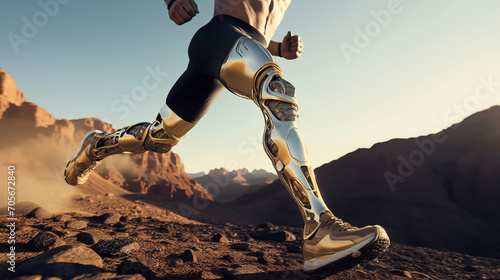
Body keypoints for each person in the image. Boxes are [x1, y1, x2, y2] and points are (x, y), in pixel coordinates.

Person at [64, 0, 390, 273]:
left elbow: (259, 19)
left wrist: (279, 48)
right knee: (277, 94)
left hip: (236, 46)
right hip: (219, 36)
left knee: (163, 136)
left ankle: (96, 145)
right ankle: (320, 229)